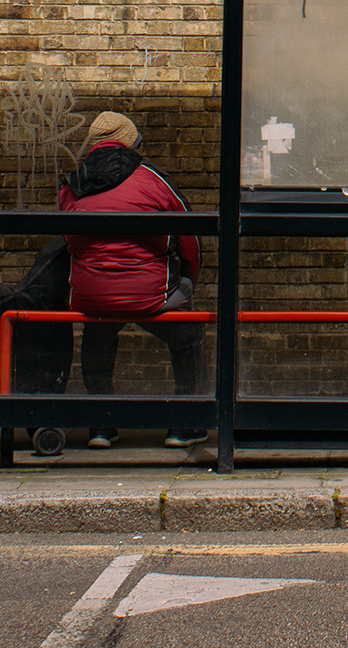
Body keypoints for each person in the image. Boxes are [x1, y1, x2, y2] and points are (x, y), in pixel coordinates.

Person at [59, 111, 208, 449]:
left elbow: (66, 236)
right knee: (188, 332)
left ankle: (101, 427)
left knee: (97, 332)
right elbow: (191, 239)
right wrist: (187, 282)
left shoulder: (72, 184)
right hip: (151, 294)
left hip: (91, 293)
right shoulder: (153, 179)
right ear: (132, 143)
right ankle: (184, 425)